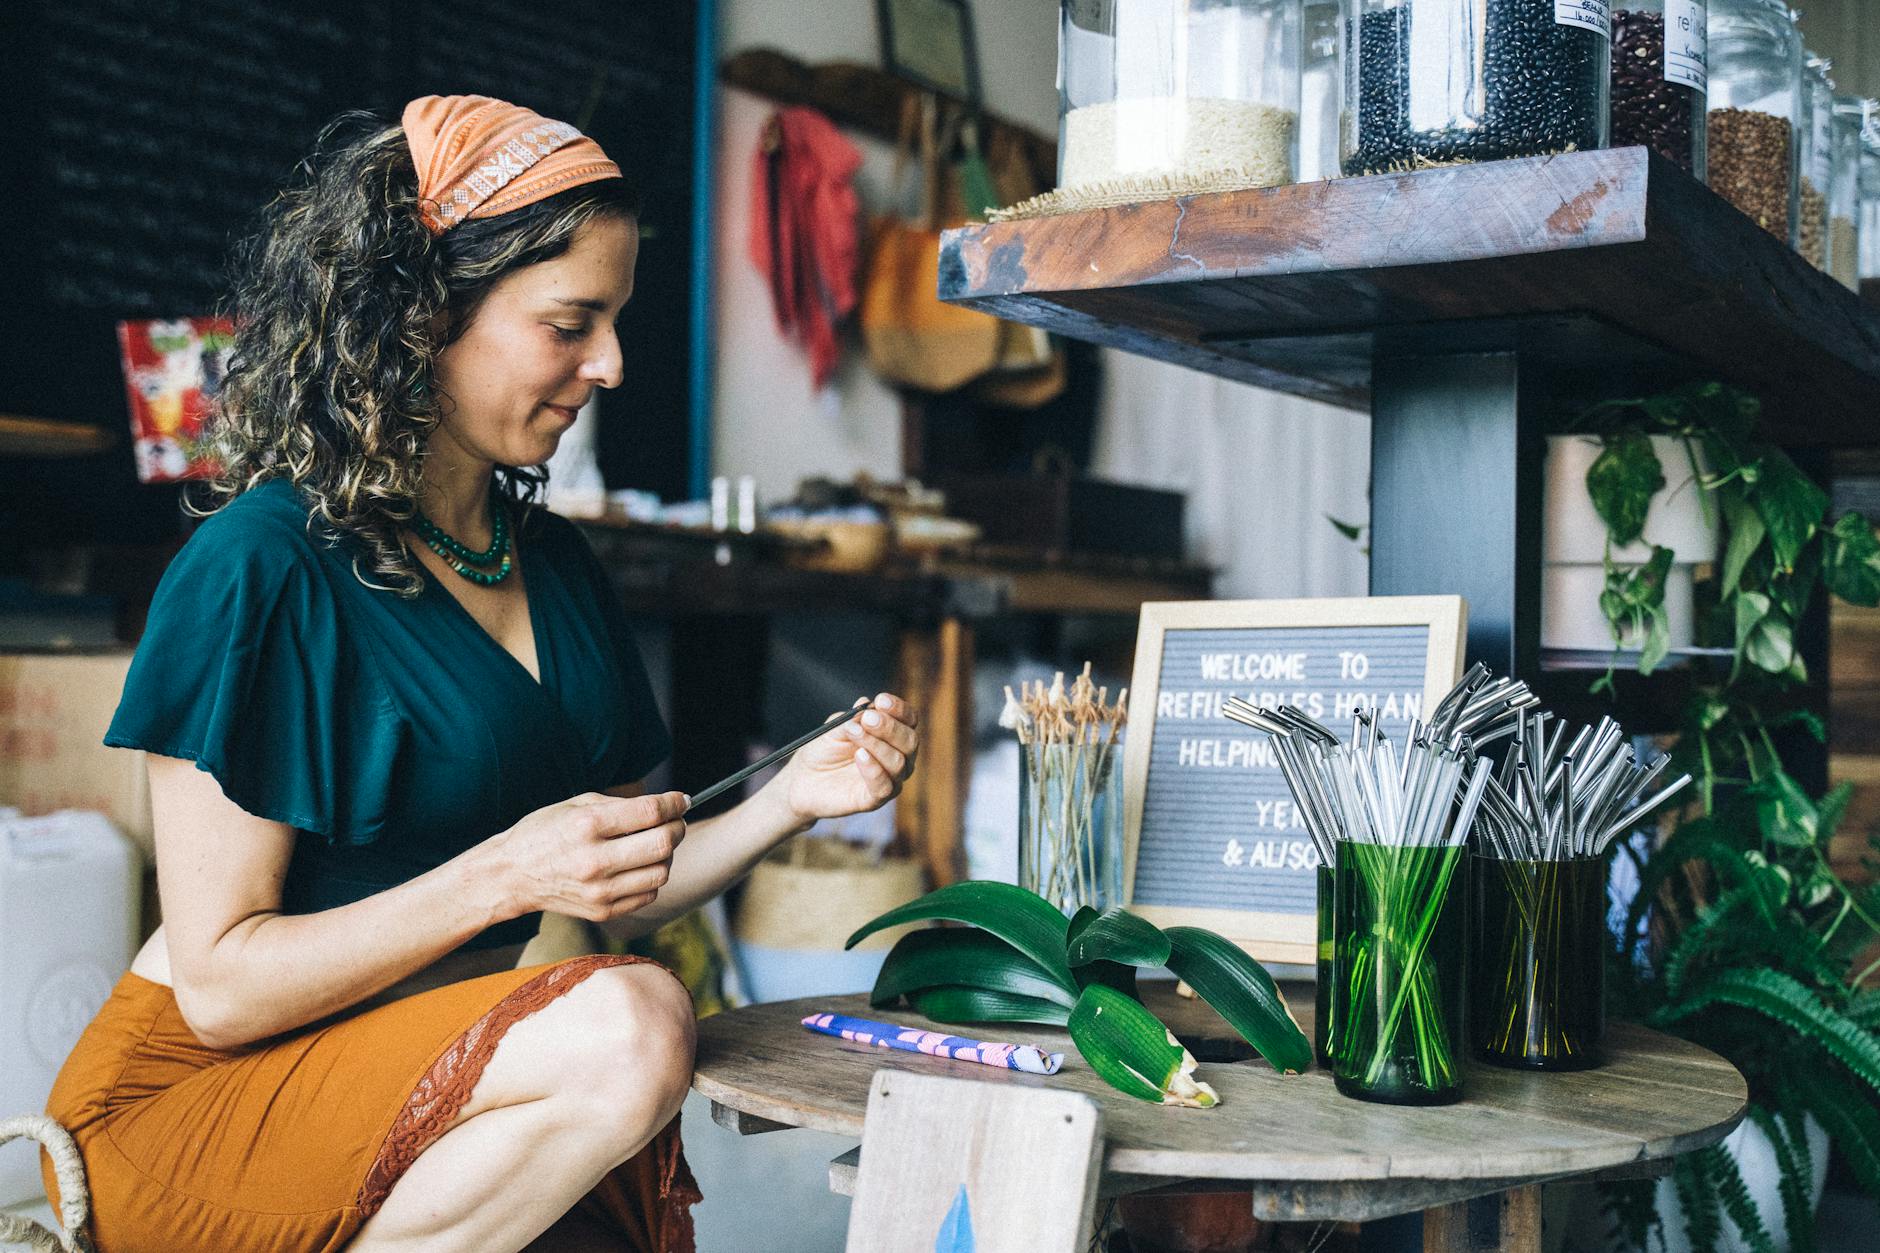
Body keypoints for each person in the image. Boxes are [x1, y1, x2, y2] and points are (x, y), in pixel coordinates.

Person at [42, 95, 920, 1253]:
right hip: (205, 1099)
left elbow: (615, 880)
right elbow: (219, 987)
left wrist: (792, 796)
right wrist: (501, 875)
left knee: (618, 1085)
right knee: (633, 1022)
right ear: (422, 314)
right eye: (571, 323)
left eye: (614, 322)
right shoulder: (258, 567)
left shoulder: (548, 559)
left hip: (429, 1083)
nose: (608, 365)